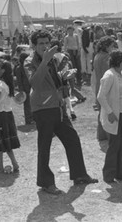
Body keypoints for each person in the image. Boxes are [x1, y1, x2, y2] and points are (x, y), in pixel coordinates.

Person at [24, 30, 97, 195]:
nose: (44, 46)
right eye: (40, 43)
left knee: (72, 139)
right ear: (34, 46)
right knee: (45, 146)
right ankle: (46, 183)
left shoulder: (53, 59)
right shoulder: (30, 61)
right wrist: (45, 61)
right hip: (42, 108)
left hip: (57, 106)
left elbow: (54, 80)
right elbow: (35, 82)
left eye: (46, 43)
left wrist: (65, 76)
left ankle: (79, 175)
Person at [97, 50, 122, 183]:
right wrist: (109, 112)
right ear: (120, 62)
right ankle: (109, 174)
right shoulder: (109, 75)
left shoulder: (121, 74)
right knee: (114, 145)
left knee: (120, 144)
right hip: (114, 115)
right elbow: (101, 96)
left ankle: (121, 172)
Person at [14, 52, 32, 125]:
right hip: (25, 88)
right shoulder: (19, 68)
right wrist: (21, 90)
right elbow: (19, 80)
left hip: (31, 86)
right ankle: (28, 120)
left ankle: (32, 118)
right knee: (27, 104)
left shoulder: (29, 67)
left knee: (32, 103)